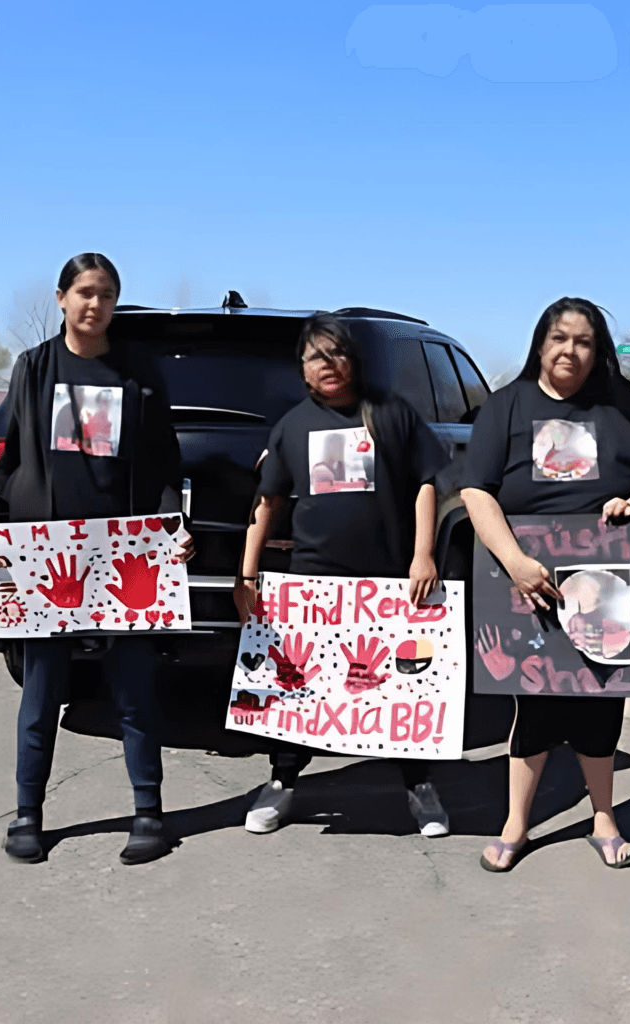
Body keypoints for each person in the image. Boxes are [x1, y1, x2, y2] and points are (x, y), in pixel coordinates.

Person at [0, 253, 193, 866]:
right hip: (47, 558)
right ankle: (28, 815)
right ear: (63, 298)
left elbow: (167, 465)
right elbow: (6, 459)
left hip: (126, 561)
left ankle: (149, 812)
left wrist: (174, 528)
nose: (97, 305)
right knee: (42, 693)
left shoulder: (138, 376)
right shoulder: (35, 369)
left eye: (108, 295)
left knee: (134, 691)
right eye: (86, 293)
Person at [460, 297, 630, 871]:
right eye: (560, 338)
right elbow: (477, 491)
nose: (570, 350)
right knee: (533, 703)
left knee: (601, 704)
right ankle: (516, 823)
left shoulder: (619, 404)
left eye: (584, 341)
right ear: (540, 342)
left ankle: (604, 817)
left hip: (607, 579)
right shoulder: (507, 406)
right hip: (525, 581)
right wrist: (513, 561)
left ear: (598, 350)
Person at [233, 314, 453, 838]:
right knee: (295, 687)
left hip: (388, 581)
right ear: (303, 371)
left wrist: (424, 554)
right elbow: (267, 503)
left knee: (404, 688)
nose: (327, 365)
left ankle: (420, 787)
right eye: (315, 357)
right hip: (313, 583)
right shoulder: (292, 426)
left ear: (354, 360)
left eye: (336, 354)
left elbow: (427, 483)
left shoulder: (393, 414)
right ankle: (282, 783)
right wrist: (247, 574)